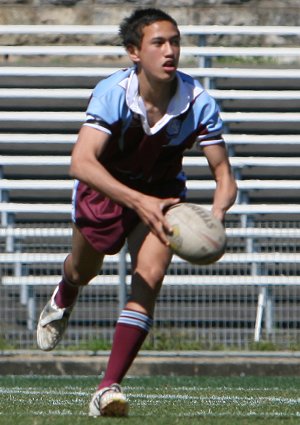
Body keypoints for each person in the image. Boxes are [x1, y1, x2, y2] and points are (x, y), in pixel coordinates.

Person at [36, 7, 237, 417]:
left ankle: (107, 388)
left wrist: (215, 215)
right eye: (158, 43)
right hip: (105, 191)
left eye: (175, 41)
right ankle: (65, 292)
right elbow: (81, 163)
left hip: (163, 196)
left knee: (150, 277)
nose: (170, 51)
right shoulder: (113, 92)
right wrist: (136, 200)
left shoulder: (198, 101)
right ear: (133, 52)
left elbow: (224, 174)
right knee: (83, 269)